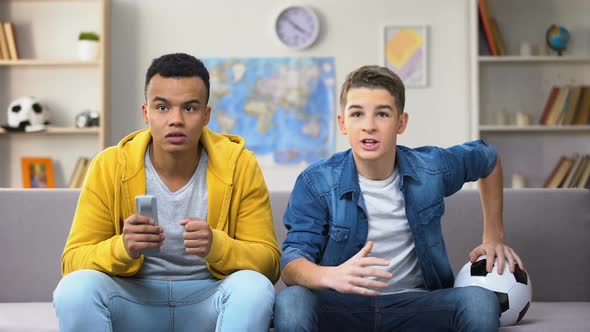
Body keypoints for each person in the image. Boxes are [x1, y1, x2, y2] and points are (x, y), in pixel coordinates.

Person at [274, 65, 524, 332]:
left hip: (418, 305)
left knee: (479, 302)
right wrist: (331, 275)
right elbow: (292, 264)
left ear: (401, 122)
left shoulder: (431, 168)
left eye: (382, 114)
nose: (369, 126)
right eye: (357, 114)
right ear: (342, 123)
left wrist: (493, 236)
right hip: (343, 308)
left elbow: (488, 158)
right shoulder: (316, 182)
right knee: (291, 301)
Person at [53, 53, 280, 332]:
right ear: (145, 113)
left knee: (255, 288)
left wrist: (217, 245)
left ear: (206, 115)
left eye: (189, 108)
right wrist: (123, 247)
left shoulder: (240, 164)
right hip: (133, 300)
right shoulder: (109, 165)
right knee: (74, 289)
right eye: (162, 108)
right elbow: (73, 261)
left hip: (208, 299)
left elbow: (268, 263)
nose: (176, 120)